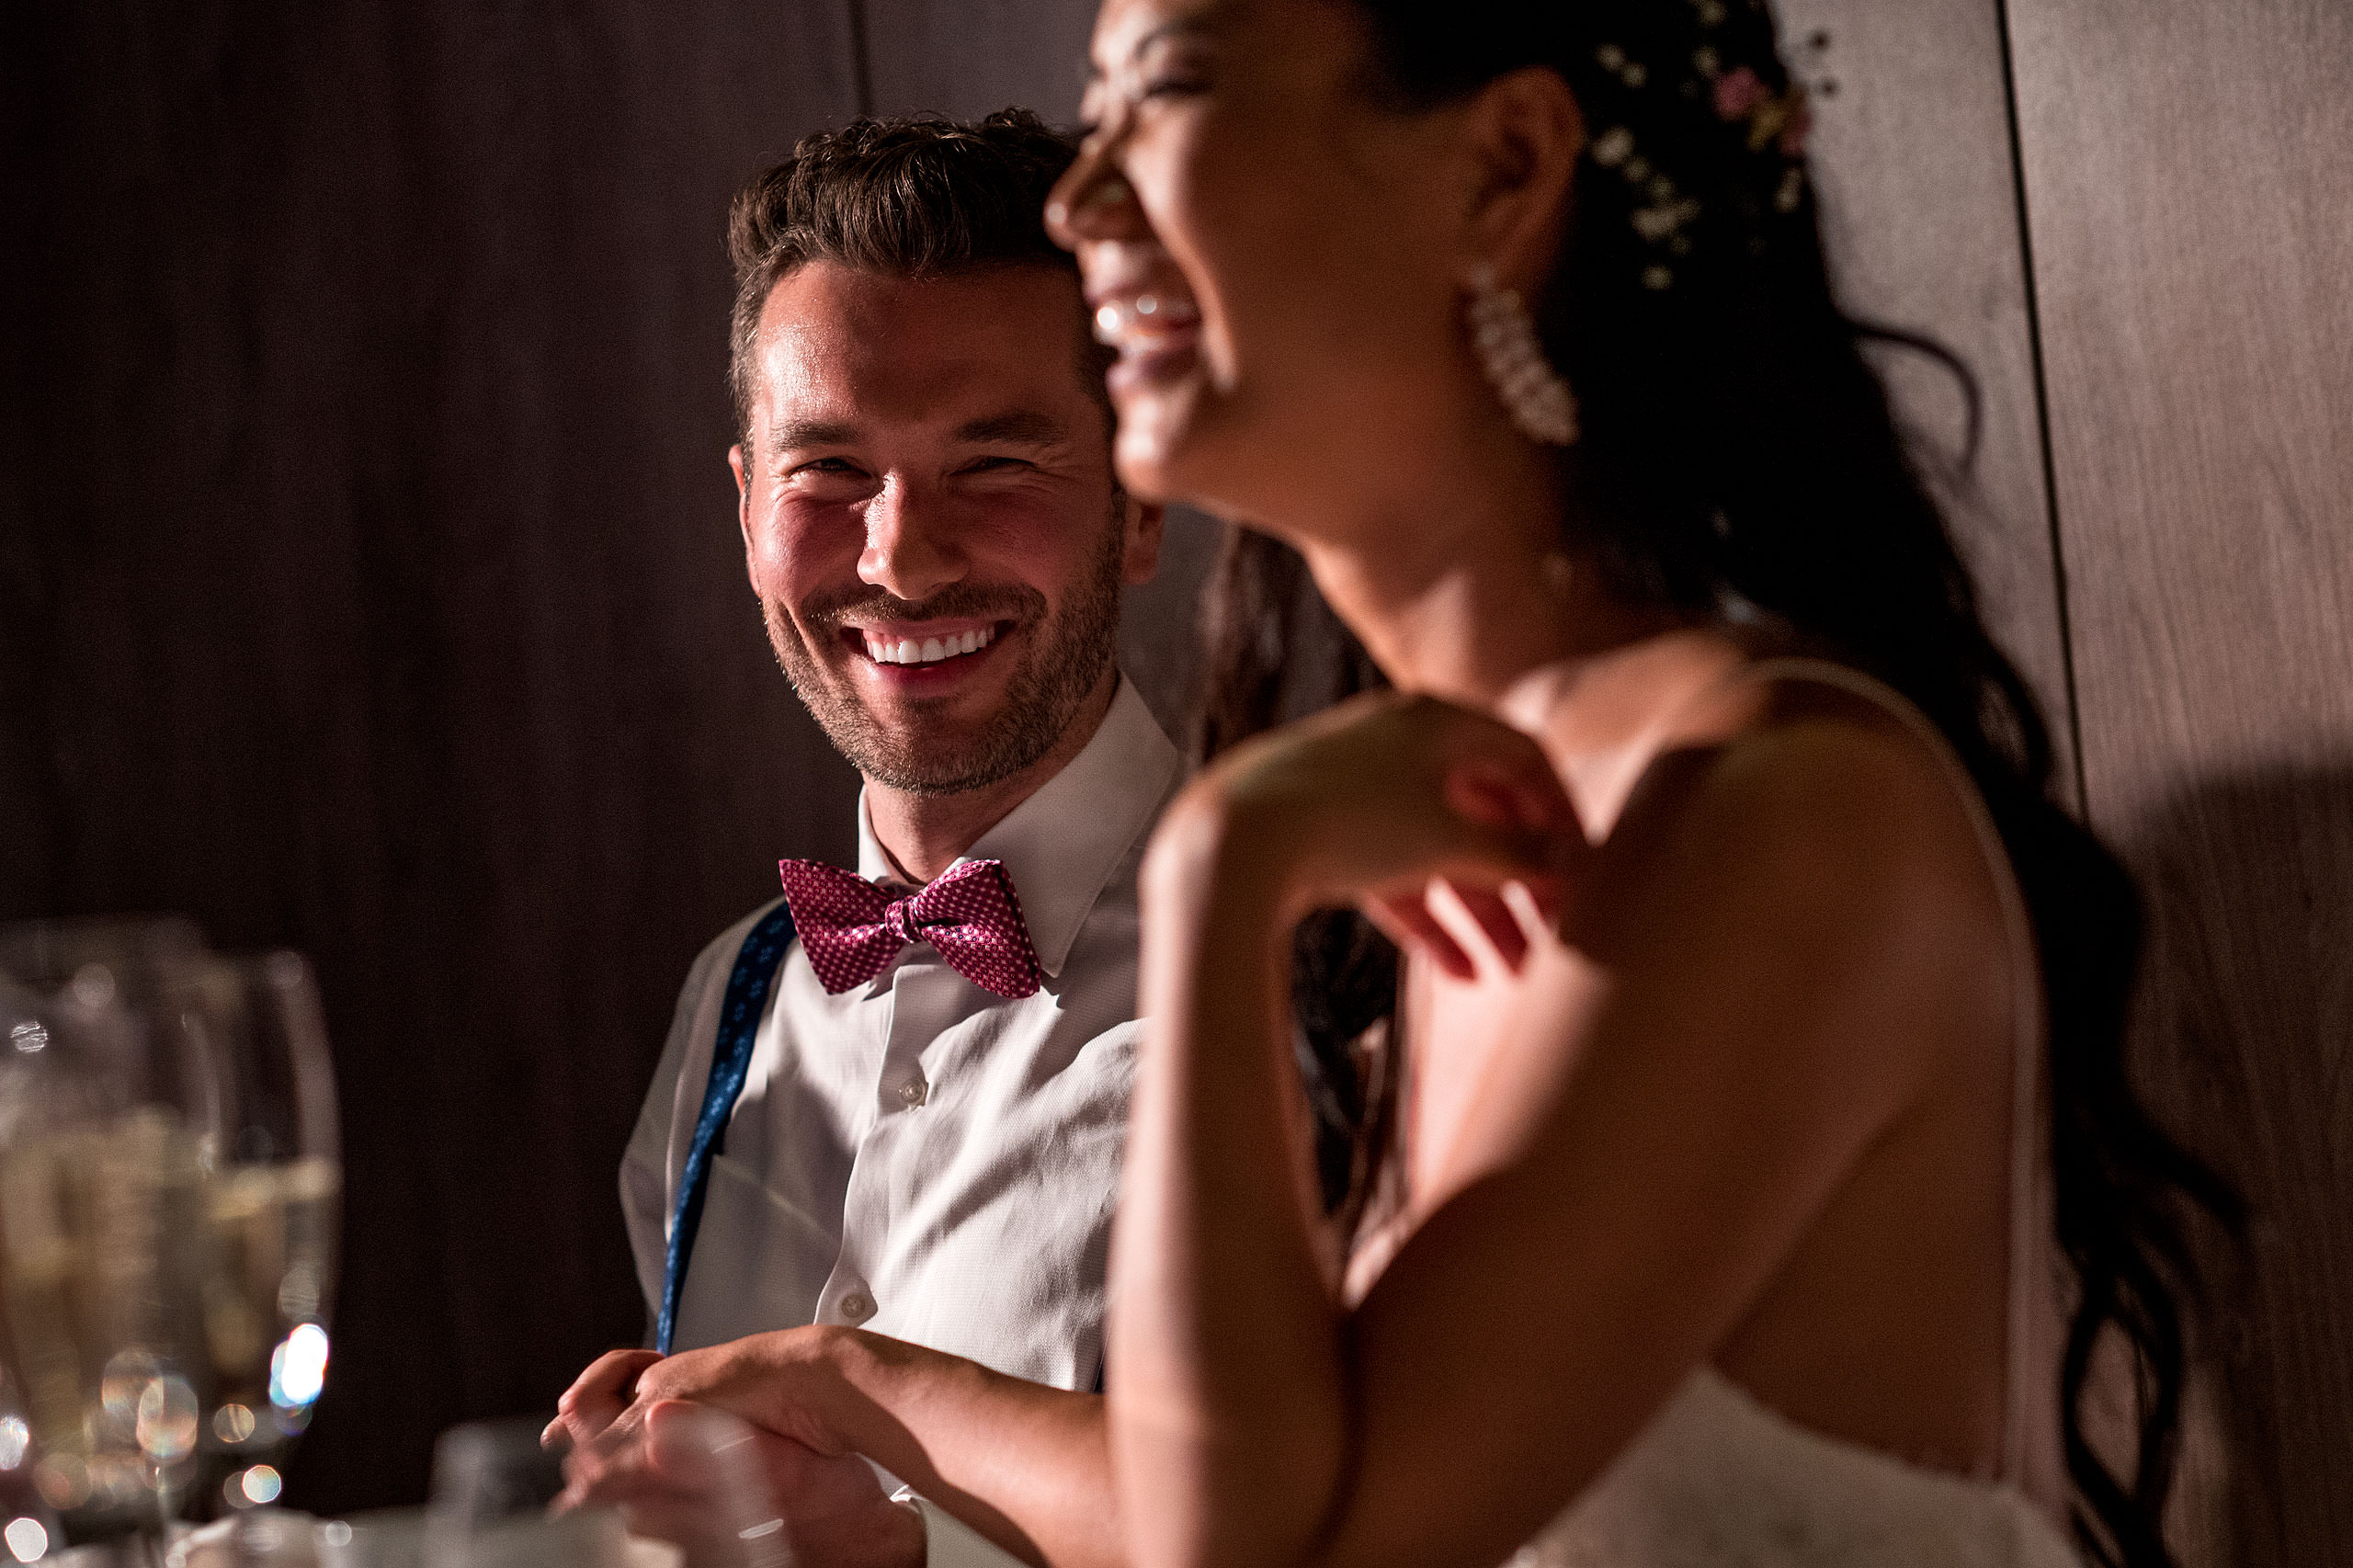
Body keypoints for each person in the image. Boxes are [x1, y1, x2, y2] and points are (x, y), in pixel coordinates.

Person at [568, 6, 2241, 1568]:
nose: (1086, 201)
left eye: (1169, 90)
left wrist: (1223, 864)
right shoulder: (1437, 834)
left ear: (1502, 168)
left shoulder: (1770, 814)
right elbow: (1242, 1486)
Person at [547, 110, 1180, 1568]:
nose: (901, 556)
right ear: (747, 508)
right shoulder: (731, 1003)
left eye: (996, 461)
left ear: (1140, 505)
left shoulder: (1323, 977)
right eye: (829, 469)